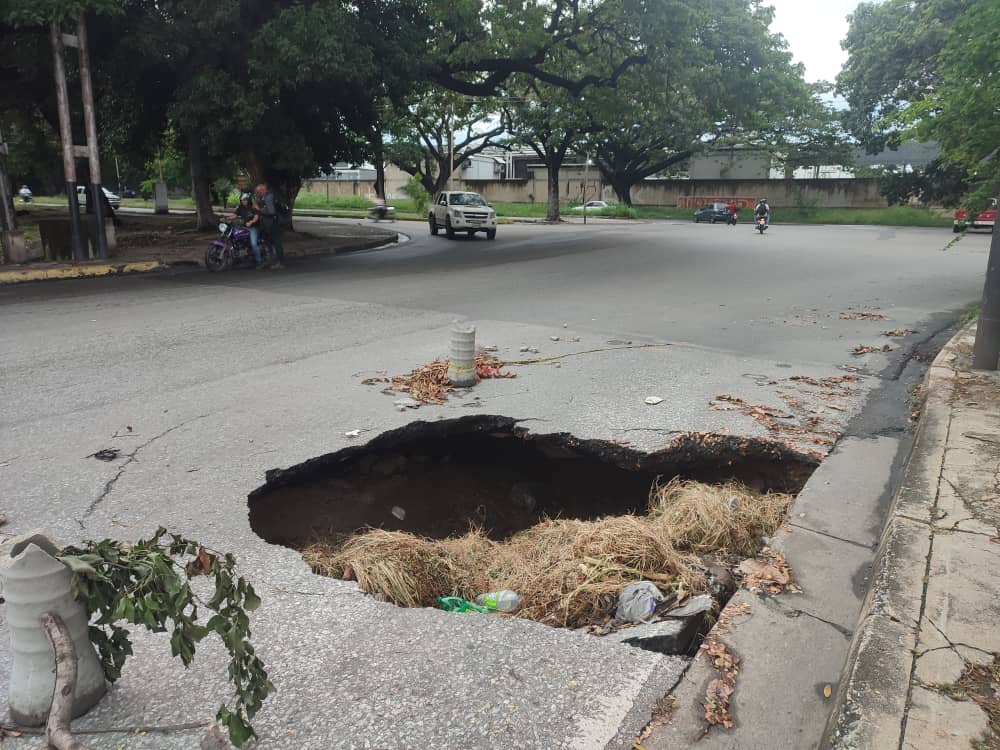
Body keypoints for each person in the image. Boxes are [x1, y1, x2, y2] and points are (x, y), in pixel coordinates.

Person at [226, 192, 264, 268]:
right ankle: (237, 257)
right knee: (235, 236)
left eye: (245, 200)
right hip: (244, 227)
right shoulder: (240, 207)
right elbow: (235, 215)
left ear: (248, 200)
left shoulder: (253, 207)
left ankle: (260, 262)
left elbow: (256, 216)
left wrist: (251, 222)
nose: (244, 201)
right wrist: (226, 218)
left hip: (254, 227)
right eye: (242, 200)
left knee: (253, 243)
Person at [255, 183, 285, 269]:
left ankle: (280, 262)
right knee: (270, 242)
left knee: (277, 242)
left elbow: (271, 211)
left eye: (258, 192)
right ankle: (274, 260)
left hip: (273, 223)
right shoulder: (267, 196)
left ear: (262, 190)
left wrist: (259, 210)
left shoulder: (268, 197)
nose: (258, 194)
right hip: (270, 223)